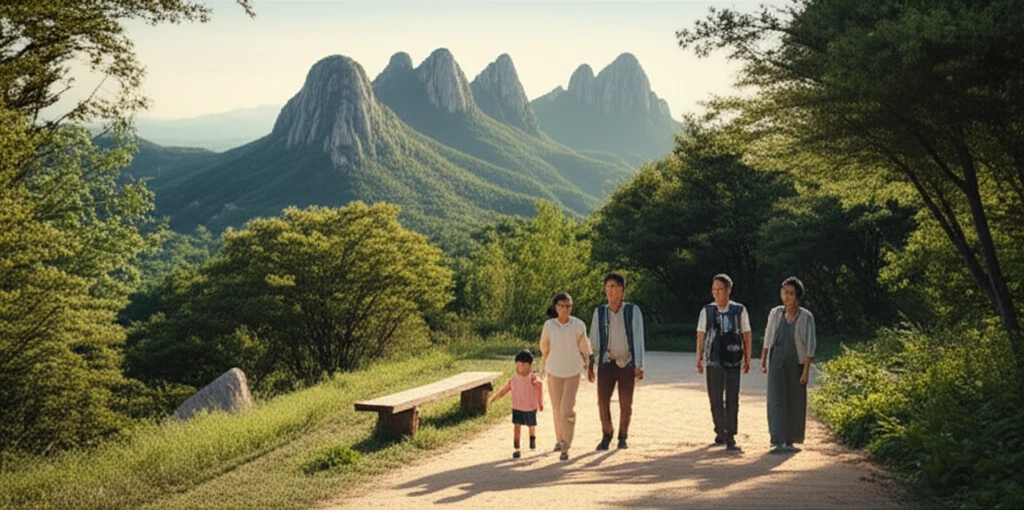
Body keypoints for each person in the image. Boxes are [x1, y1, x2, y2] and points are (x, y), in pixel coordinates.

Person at [588, 272, 645, 450]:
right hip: (606, 362)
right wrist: (590, 364)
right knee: (603, 401)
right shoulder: (600, 312)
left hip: (626, 362)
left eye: (614, 287)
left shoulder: (632, 311)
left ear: (622, 290)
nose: (610, 291)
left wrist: (639, 365)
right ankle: (607, 434)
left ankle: (622, 436)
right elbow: (594, 340)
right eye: (608, 287)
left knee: (625, 403)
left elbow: (638, 337)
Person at [695, 274, 752, 451]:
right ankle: (720, 430)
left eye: (720, 289)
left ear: (728, 290)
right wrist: (699, 357)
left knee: (732, 398)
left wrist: (748, 358)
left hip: (733, 358)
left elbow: (746, 334)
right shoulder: (707, 310)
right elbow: (701, 334)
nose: (716, 293)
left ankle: (731, 435)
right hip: (713, 359)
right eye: (714, 290)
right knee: (715, 398)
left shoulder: (739, 310)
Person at [761, 276, 817, 453]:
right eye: (784, 292)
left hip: (797, 364)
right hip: (777, 361)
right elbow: (768, 337)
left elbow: (810, 345)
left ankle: (791, 440)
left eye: (791, 293)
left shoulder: (806, 317)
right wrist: (763, 360)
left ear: (797, 296)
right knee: (776, 400)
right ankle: (778, 439)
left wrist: (806, 371)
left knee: (795, 400)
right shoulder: (776, 313)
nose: (787, 296)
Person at [539, 292, 592, 461]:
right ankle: (559, 439)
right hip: (554, 370)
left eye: (568, 306)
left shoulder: (578, 325)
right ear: (556, 307)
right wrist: (544, 364)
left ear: (571, 307)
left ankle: (566, 446)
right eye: (561, 306)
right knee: (556, 408)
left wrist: (589, 366)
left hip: (573, 371)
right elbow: (544, 347)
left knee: (567, 409)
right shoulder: (549, 325)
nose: (564, 309)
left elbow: (585, 348)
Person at [490, 349, 544, 459]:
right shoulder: (514, 379)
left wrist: (540, 402)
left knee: (531, 425)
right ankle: (517, 448)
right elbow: (505, 389)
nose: (521, 368)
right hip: (517, 407)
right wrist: (495, 397)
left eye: (524, 365)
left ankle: (532, 437)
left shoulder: (533, 378)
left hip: (530, 407)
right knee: (517, 427)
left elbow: (539, 388)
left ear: (530, 365)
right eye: (518, 365)